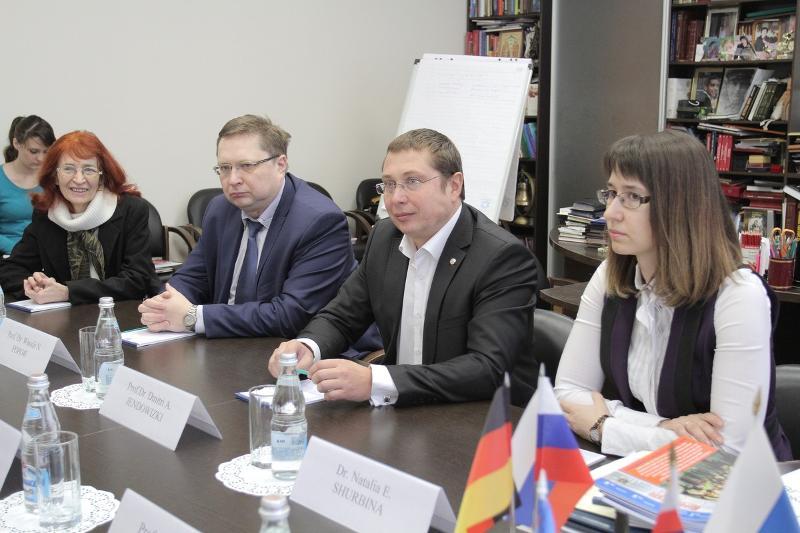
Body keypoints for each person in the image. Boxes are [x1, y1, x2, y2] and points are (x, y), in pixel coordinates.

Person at [554, 130, 791, 460]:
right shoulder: (611, 275)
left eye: (632, 197)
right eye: (611, 193)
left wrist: (605, 426)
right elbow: (567, 394)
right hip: (650, 471)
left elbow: (728, 451)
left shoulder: (739, 296)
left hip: (742, 484)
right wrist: (664, 427)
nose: (609, 213)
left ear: (680, 204)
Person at [268, 128, 539, 406]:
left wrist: (376, 381)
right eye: (388, 184)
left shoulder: (501, 258)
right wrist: (308, 346)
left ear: (454, 186)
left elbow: (487, 369)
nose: (395, 198)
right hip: (405, 408)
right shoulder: (385, 236)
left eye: (412, 181)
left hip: (480, 415)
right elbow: (342, 316)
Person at [138, 115, 357, 339]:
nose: (233, 179)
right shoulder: (220, 209)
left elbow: (292, 315)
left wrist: (194, 317)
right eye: (225, 168)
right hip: (225, 342)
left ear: (280, 165)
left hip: (292, 347)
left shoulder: (320, 221)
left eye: (246, 166)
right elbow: (194, 277)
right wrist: (163, 304)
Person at [0, 131, 159, 304]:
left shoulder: (131, 210)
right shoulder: (46, 213)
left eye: (88, 170)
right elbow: (11, 269)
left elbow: (138, 279)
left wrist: (68, 292)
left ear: (102, 176)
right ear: (55, 176)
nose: (78, 179)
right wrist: (34, 286)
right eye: (68, 169)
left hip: (122, 312)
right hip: (65, 314)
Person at [1, 116, 56, 255]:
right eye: (34, 151)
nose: (41, 159)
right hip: (9, 254)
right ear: (16, 143)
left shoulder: (53, 178)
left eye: (46, 152)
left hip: (46, 254)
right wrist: (20, 251)